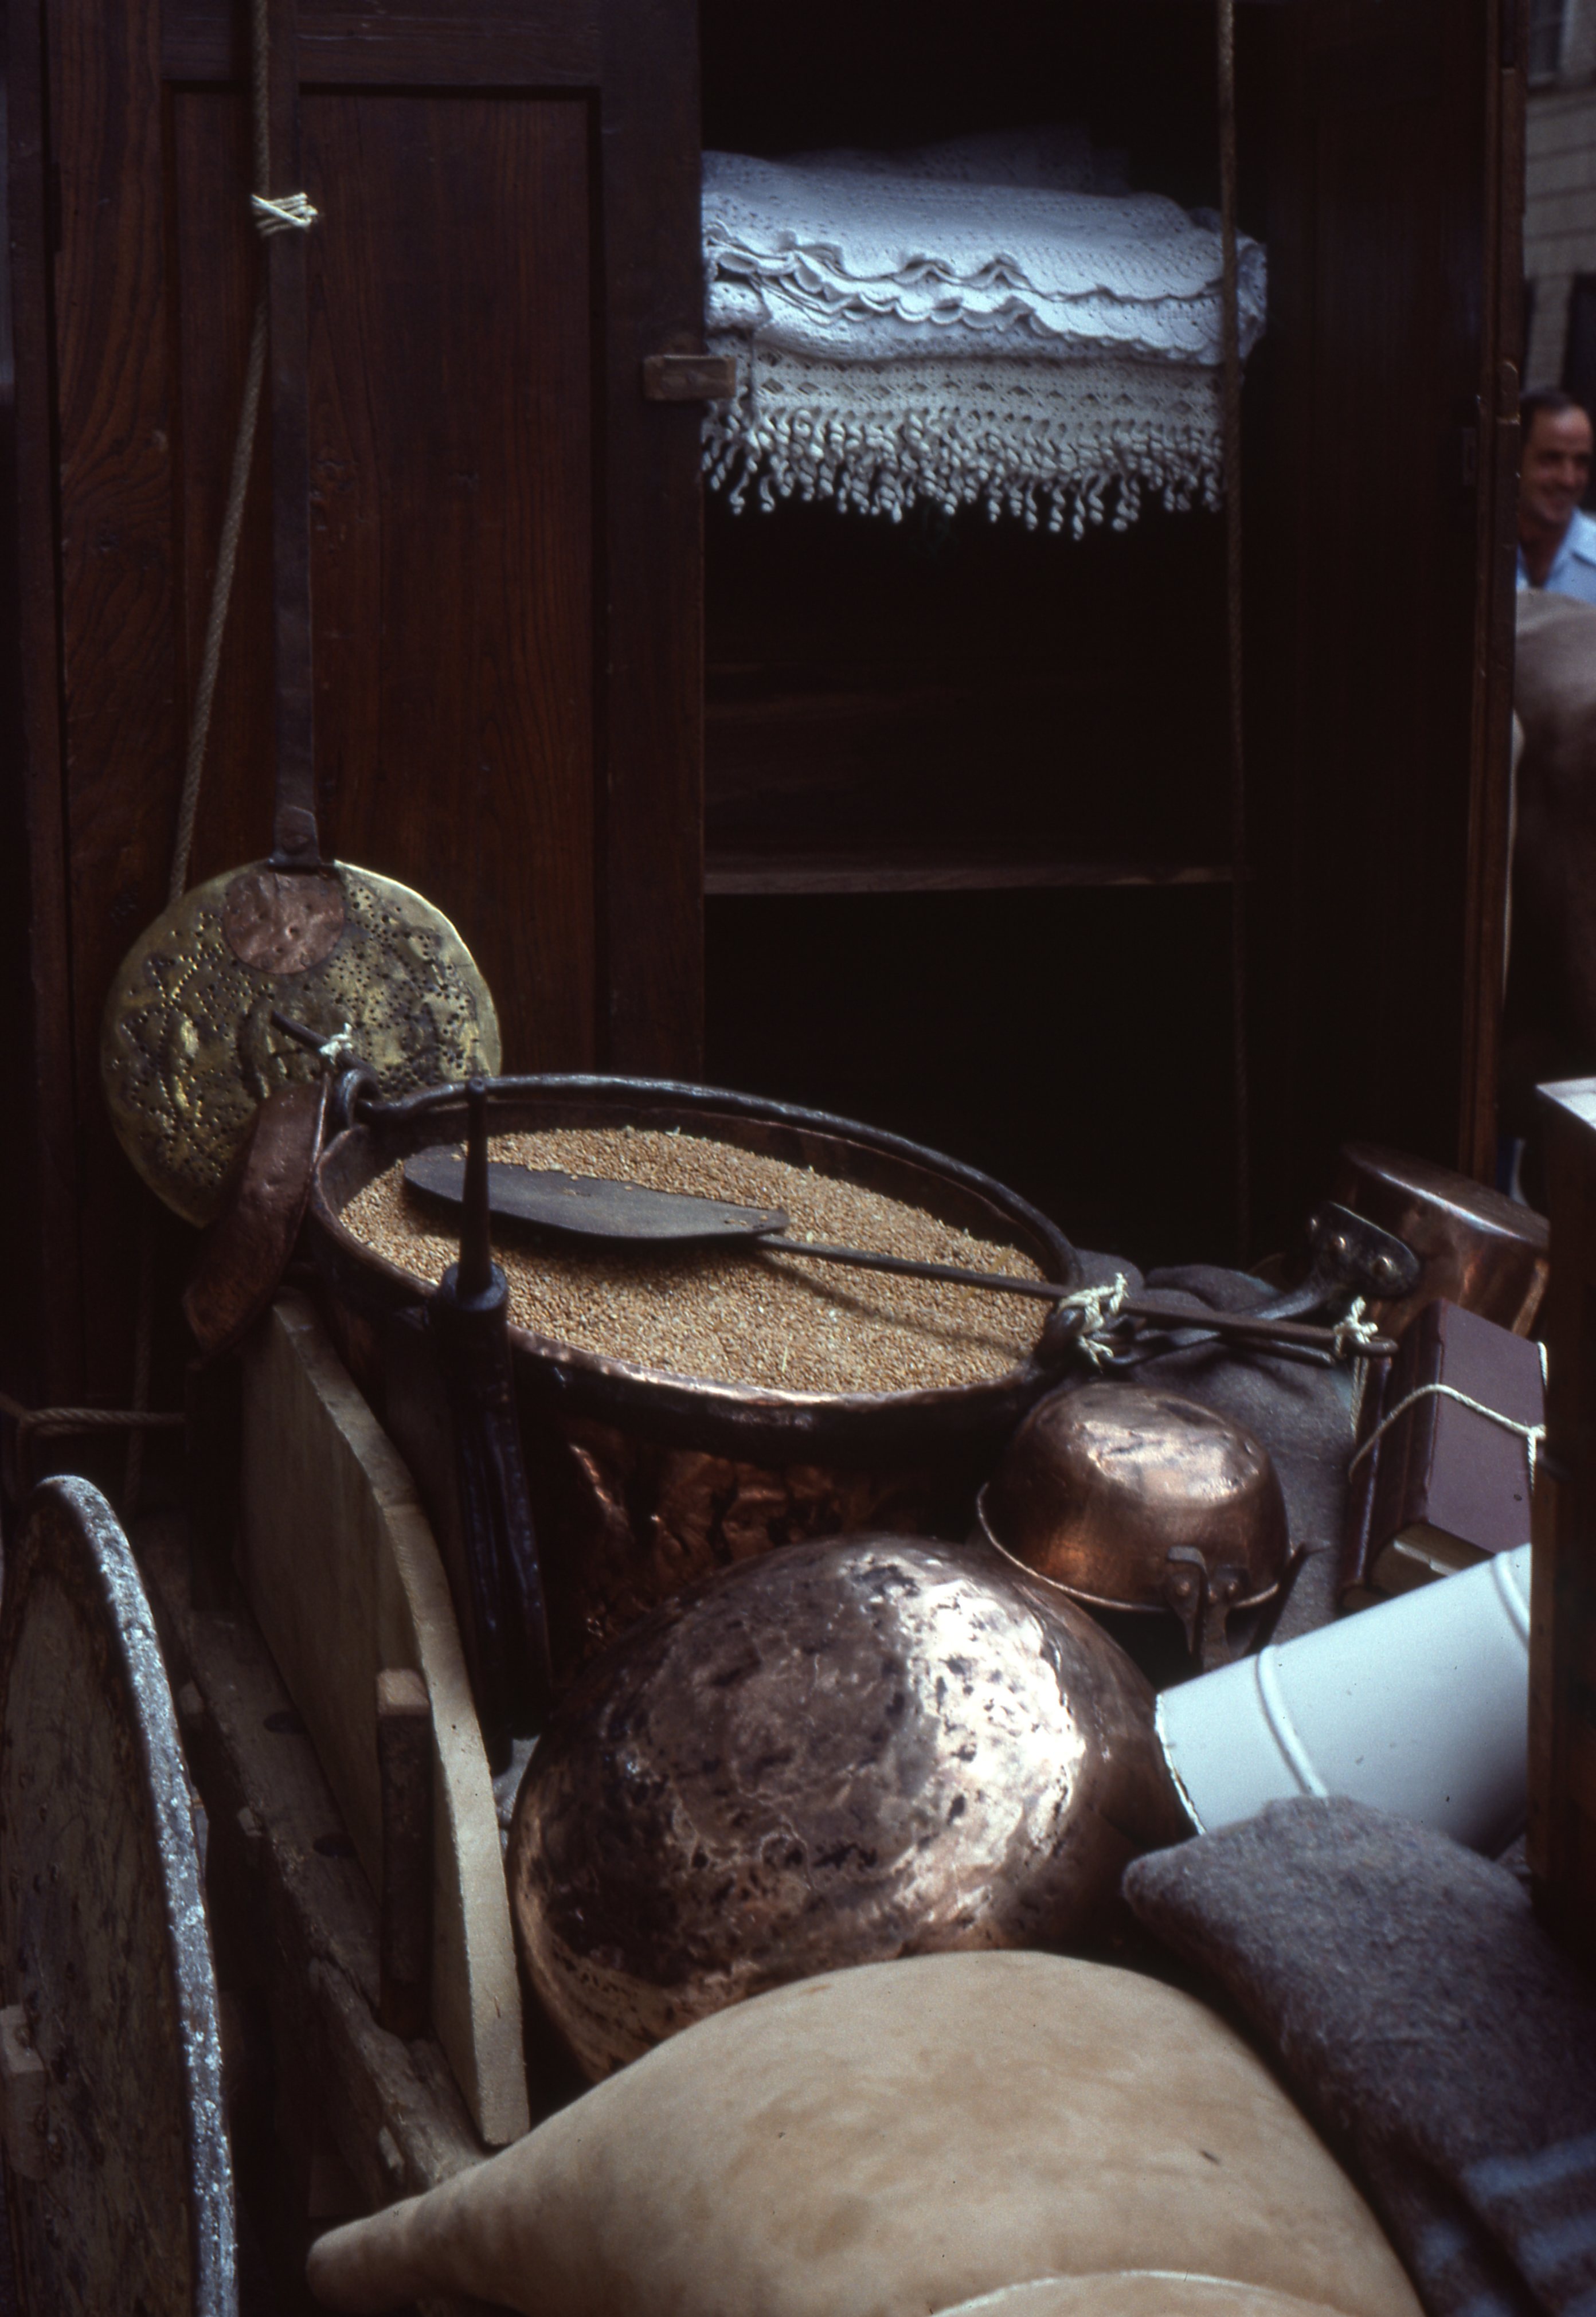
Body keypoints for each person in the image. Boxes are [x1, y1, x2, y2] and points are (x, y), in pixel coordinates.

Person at [1517, 388, 1596, 602]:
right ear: (1514, 459)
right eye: (1551, 459)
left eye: (1581, 462)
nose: (1568, 480)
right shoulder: (1474, 555)